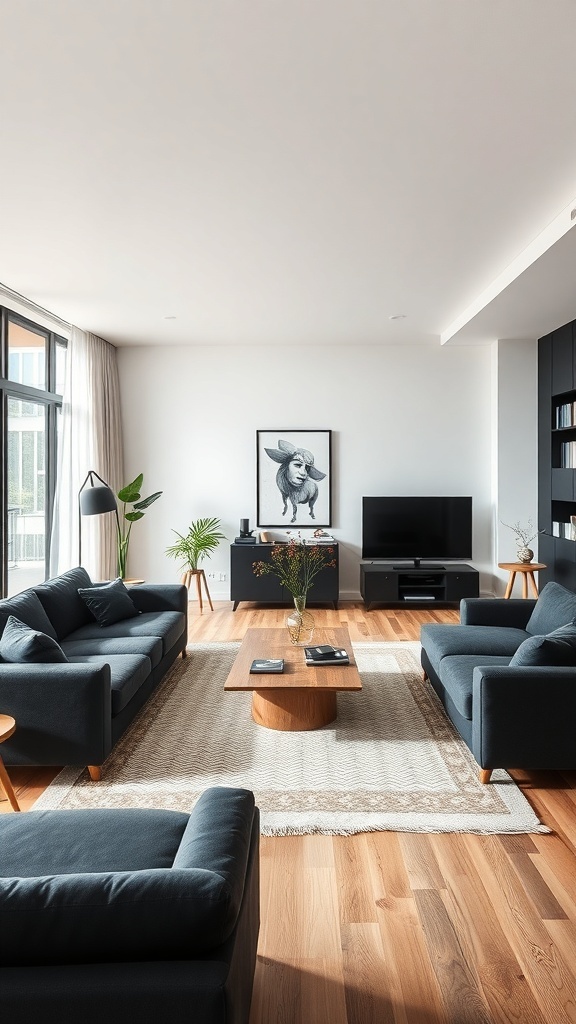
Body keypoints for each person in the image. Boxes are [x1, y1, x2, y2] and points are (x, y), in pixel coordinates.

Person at [264, 440, 326, 523]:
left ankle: (310, 512)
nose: (303, 473)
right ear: (286, 467)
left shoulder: (312, 486)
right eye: (297, 465)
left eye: (307, 468)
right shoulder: (273, 494)